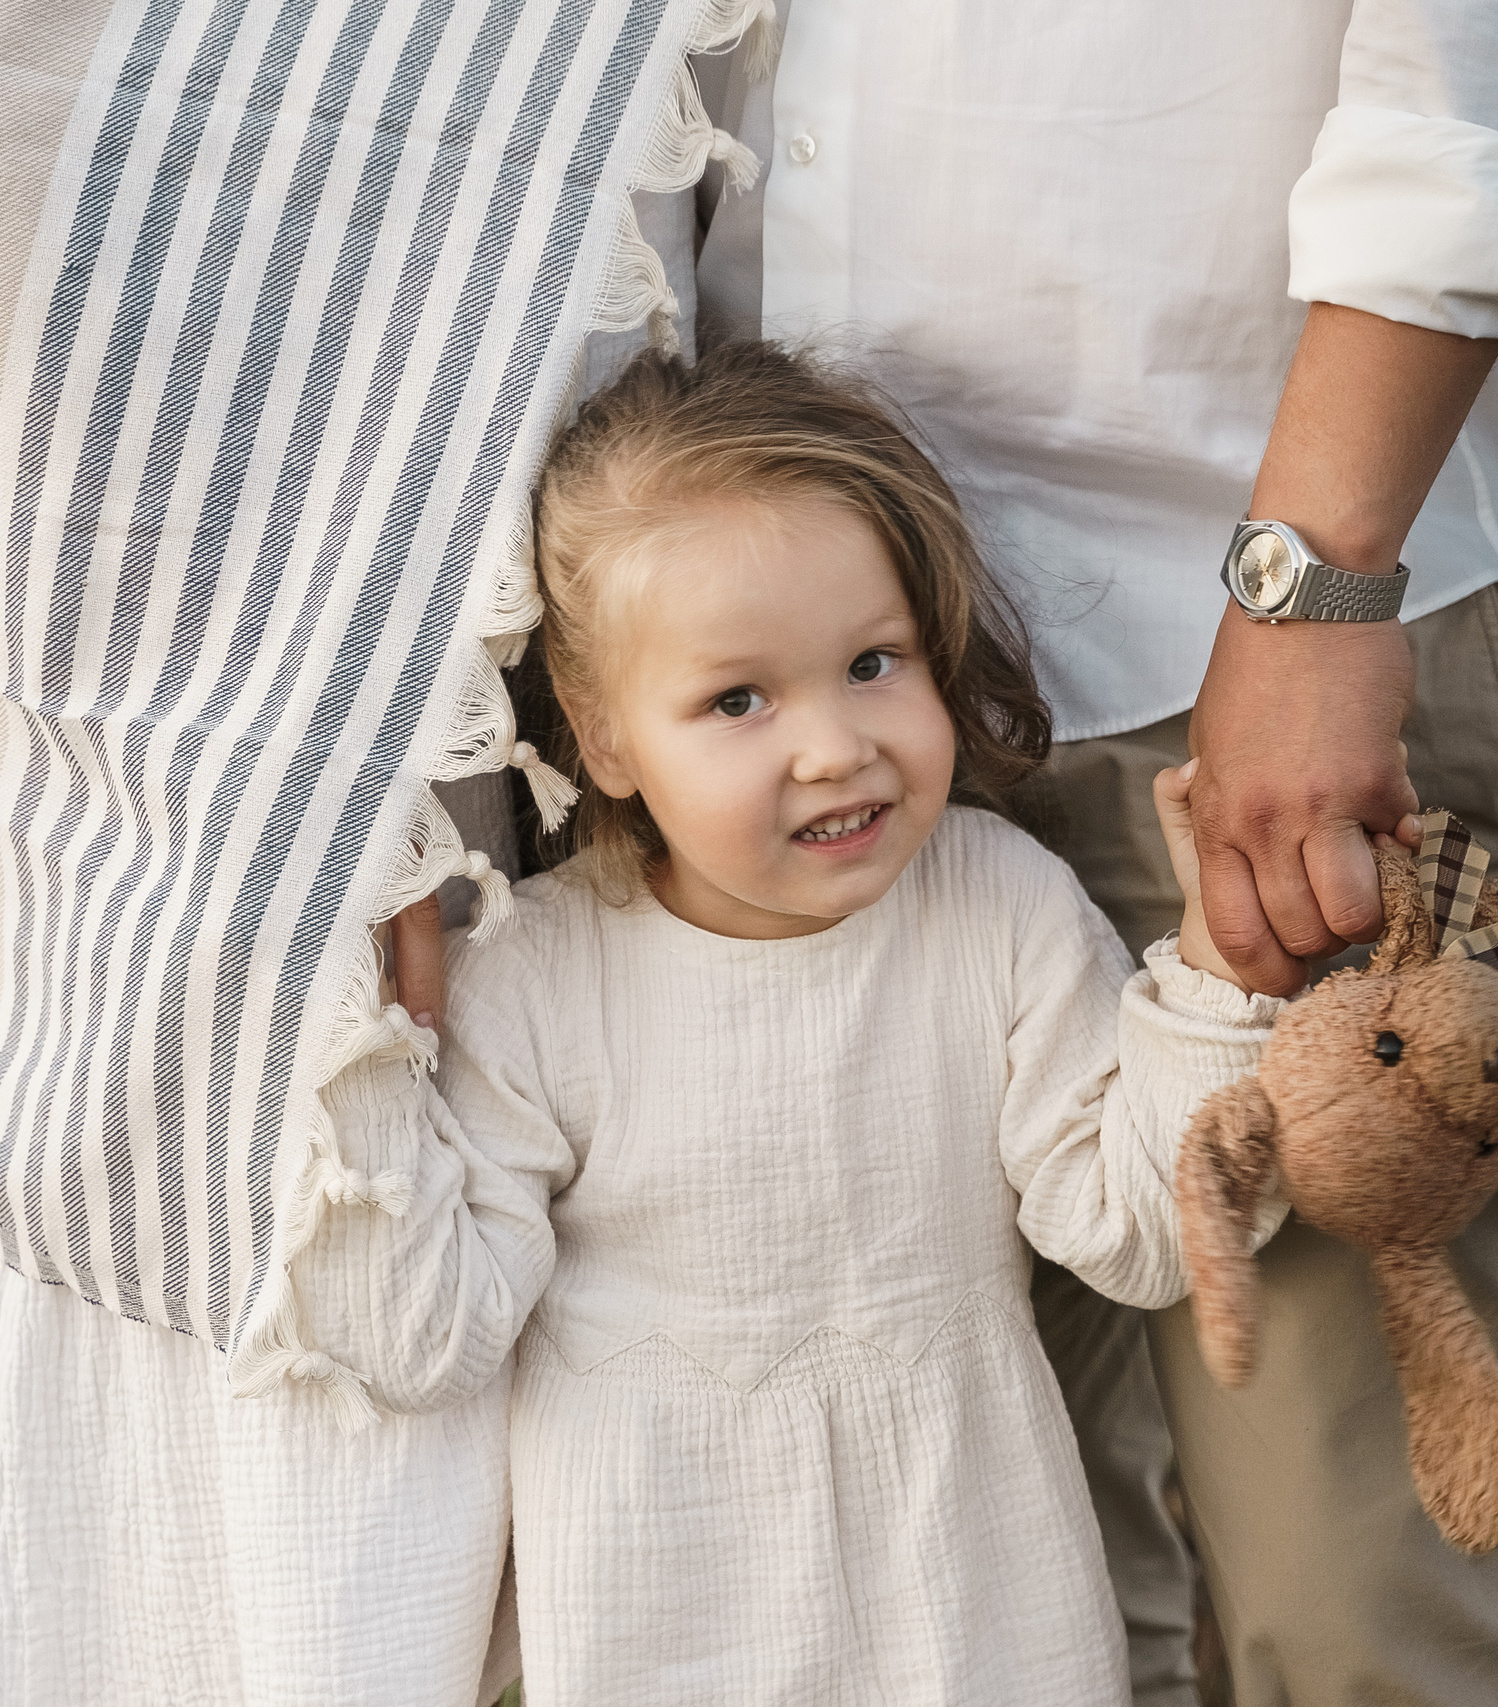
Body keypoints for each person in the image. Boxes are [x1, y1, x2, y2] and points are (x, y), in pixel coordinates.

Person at [640, 5, 1498, 1700]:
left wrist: (1314, 587)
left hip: (1254, 647)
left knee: (1356, 1610)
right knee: (979, 1593)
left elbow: (1484, 85)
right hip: (806, 679)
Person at [453, 339, 1300, 1705]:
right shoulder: (536, 983)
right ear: (604, 738)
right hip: (668, 1624)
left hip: (969, 1615)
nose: (834, 745)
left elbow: (1147, 1231)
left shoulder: (997, 908)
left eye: (871, 662)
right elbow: (439, 1323)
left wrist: (1216, 972)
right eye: (738, 700)